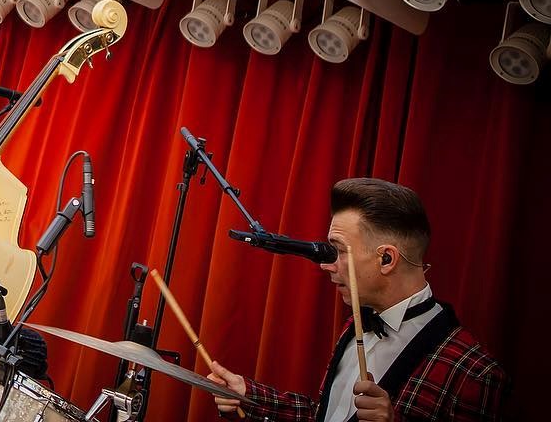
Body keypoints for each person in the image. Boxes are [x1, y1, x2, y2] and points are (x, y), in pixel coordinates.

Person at [207, 178, 507, 421]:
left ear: (386, 259)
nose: (327, 265)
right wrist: (248, 396)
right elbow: (326, 416)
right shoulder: (356, 324)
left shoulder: (475, 374)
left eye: (339, 250)